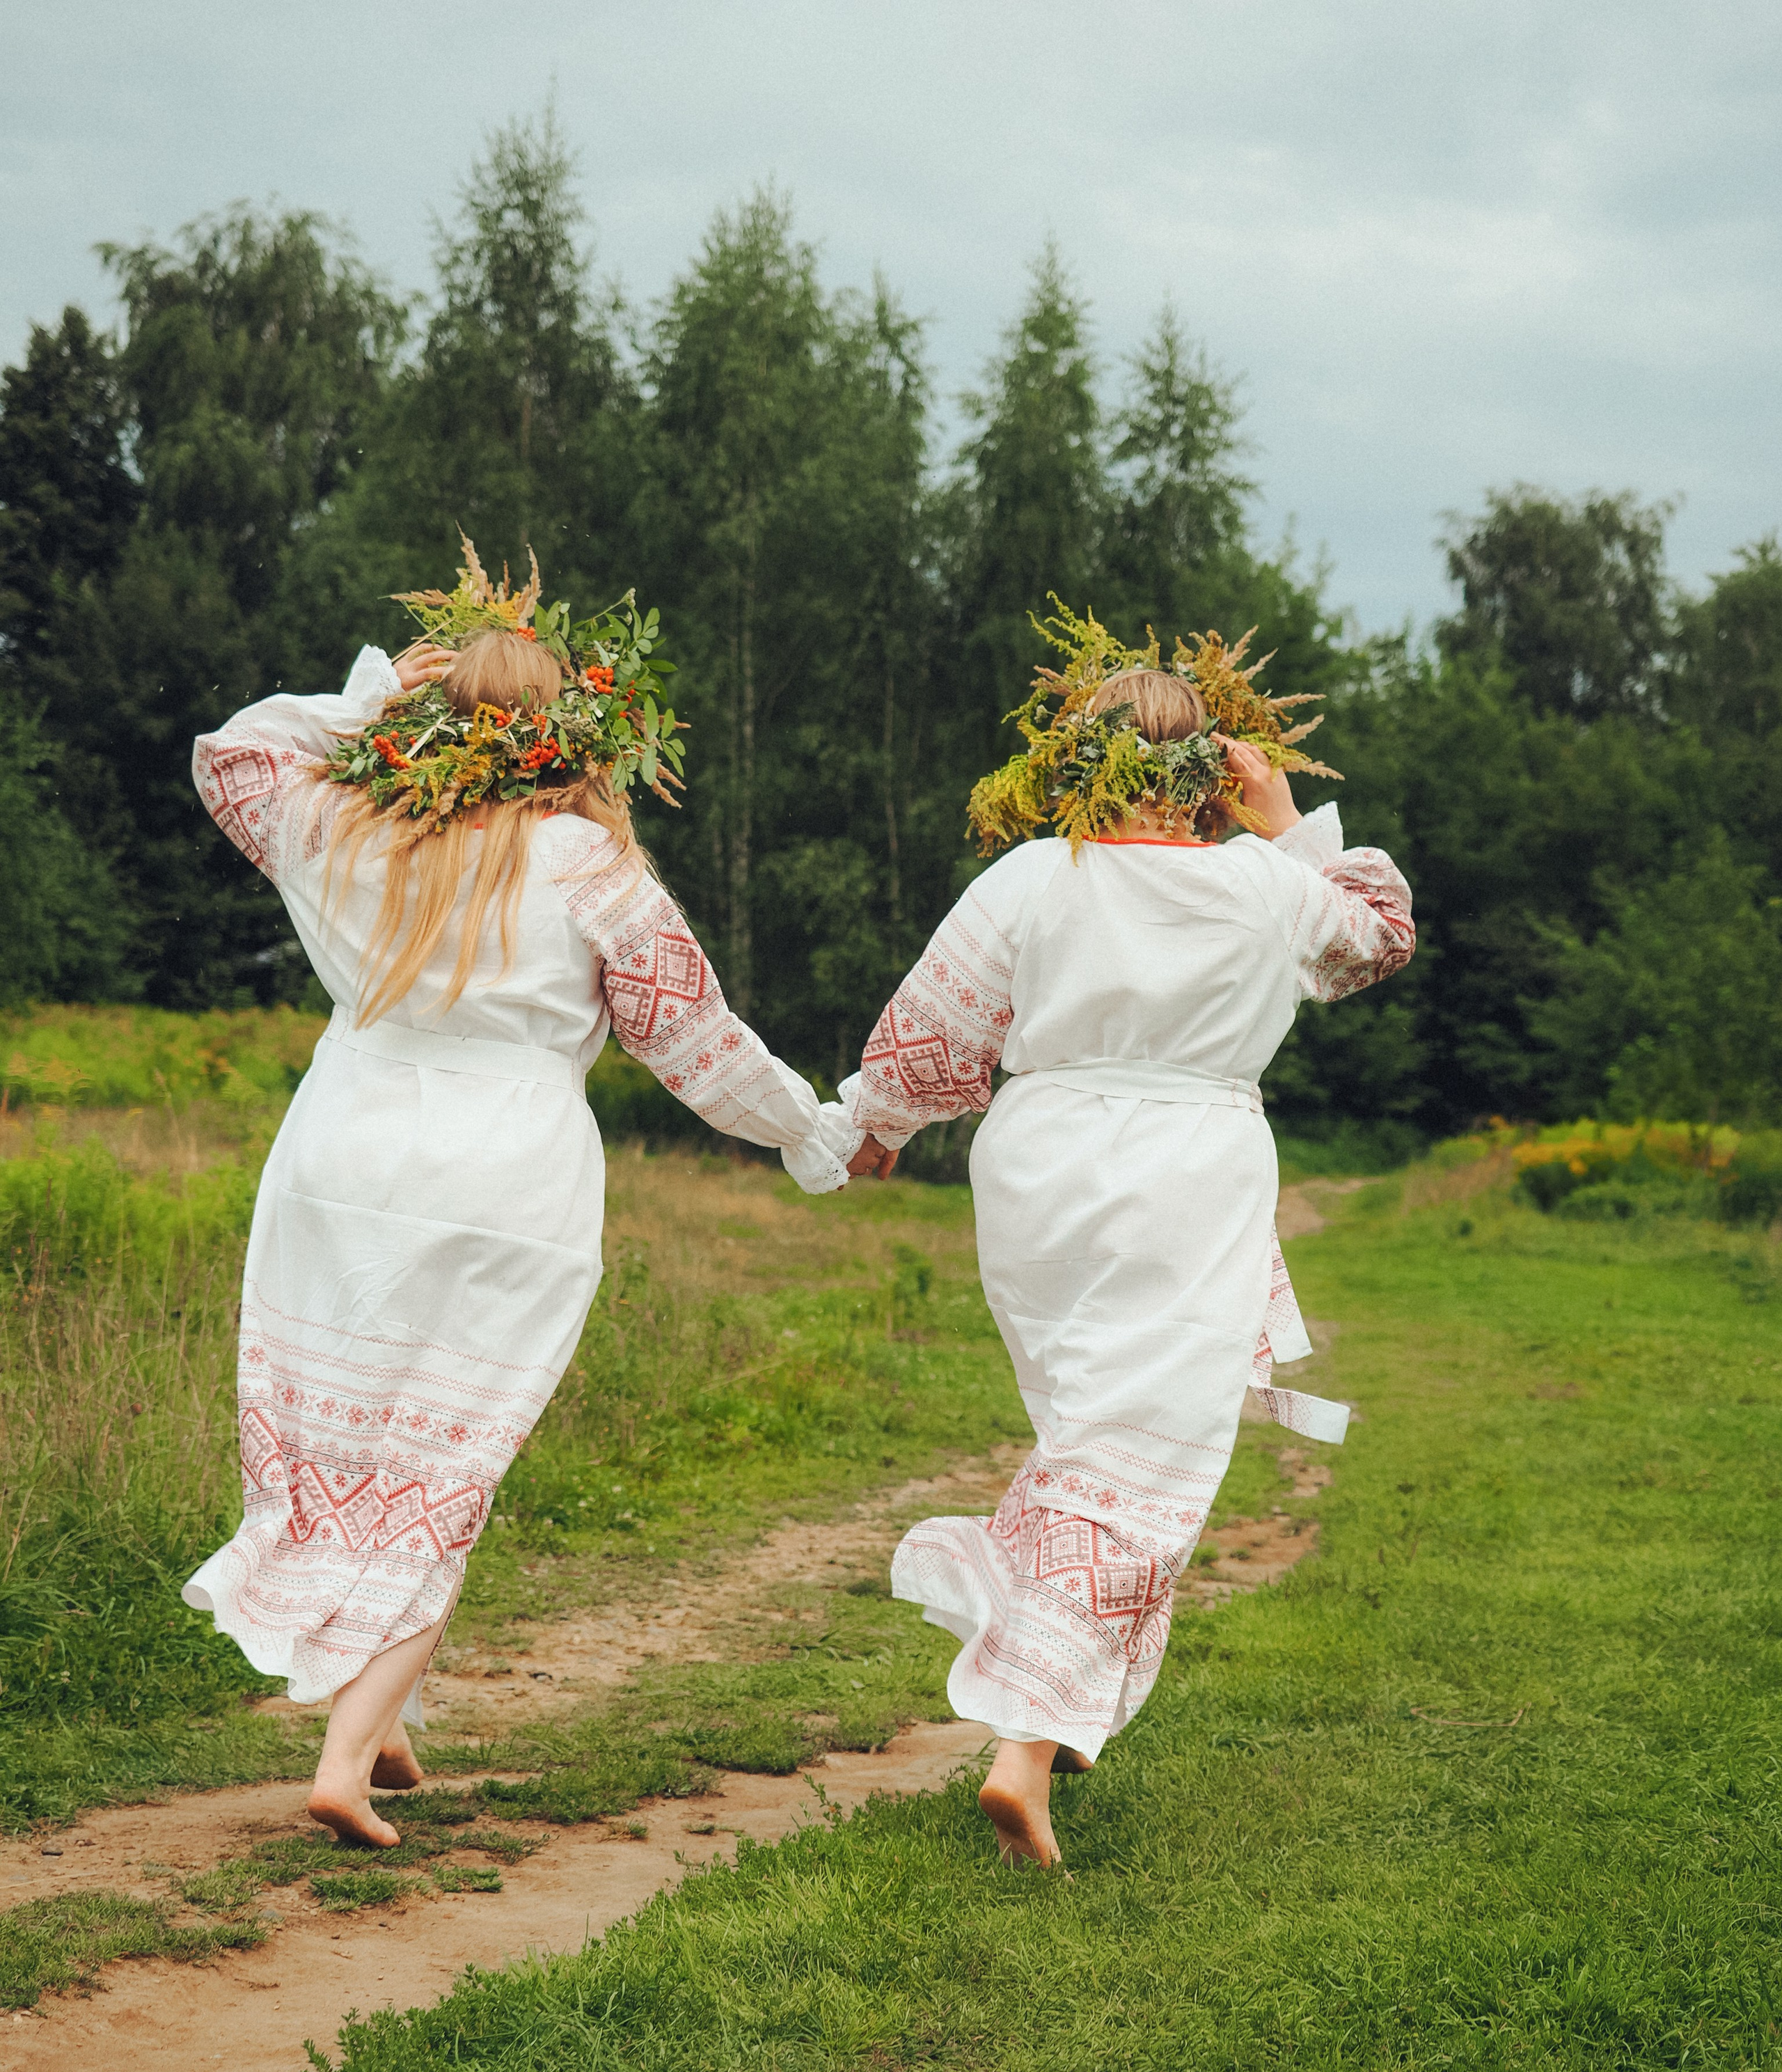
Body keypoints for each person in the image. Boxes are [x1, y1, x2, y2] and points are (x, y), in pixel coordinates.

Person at [183, 545, 867, 1847]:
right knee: (449, 1458)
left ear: (439, 719)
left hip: (344, 1155)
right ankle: (344, 1754)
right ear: (573, 736)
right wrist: (813, 1134)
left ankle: (382, 1720)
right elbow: (700, 1044)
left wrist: (377, 700)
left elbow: (235, 752)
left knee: (352, 1444)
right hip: (506, 1174)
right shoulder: (589, 866)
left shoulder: (348, 829)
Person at [839, 609, 1415, 1867]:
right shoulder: (1266, 886)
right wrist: (1289, 823)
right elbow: (1379, 937)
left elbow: (933, 1028)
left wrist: (878, 1126)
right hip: (1190, 1175)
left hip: (1041, 1171)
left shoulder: (1033, 876)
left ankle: (1068, 1704)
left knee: (1088, 1434)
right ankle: (1025, 1743)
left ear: (1079, 761)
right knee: (1145, 1463)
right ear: (1213, 766)